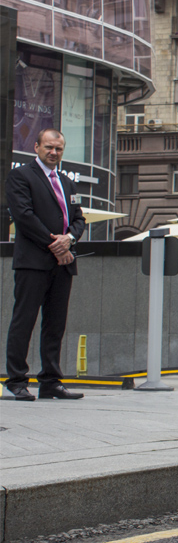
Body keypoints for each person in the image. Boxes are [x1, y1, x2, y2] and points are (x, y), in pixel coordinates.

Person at [4, 129, 86, 401]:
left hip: (63, 265)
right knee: (24, 321)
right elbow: (24, 216)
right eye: (49, 147)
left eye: (58, 149)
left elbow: (79, 219)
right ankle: (16, 381)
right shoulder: (20, 176)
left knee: (55, 324)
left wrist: (69, 239)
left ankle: (51, 381)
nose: (54, 152)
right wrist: (56, 246)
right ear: (37, 147)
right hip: (33, 262)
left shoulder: (68, 183)